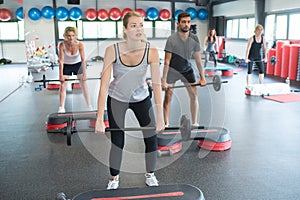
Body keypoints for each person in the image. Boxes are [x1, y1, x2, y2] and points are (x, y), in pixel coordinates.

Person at [95, 11, 164, 190]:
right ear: (125, 29)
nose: (138, 29)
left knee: (151, 137)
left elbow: (156, 85)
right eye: (133, 25)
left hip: (141, 97)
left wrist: (161, 116)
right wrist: (98, 119)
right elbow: (103, 86)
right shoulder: (112, 50)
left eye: (141, 25)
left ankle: (150, 175)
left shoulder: (152, 51)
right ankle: (113, 179)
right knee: (118, 141)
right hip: (117, 98)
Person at [161, 11, 206, 127]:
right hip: (173, 70)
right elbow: (166, 61)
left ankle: (195, 123)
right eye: (183, 22)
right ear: (178, 23)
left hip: (187, 70)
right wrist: (163, 80)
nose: (186, 24)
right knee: (168, 97)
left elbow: (198, 59)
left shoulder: (194, 38)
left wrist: (202, 77)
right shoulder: (171, 39)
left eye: (188, 22)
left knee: (194, 95)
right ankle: (166, 123)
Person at [58, 26, 92, 113]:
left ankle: (89, 106)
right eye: (69, 35)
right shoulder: (62, 45)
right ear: (66, 36)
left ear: (75, 36)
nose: (71, 38)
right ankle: (61, 107)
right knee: (62, 86)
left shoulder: (80, 44)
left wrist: (85, 73)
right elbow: (61, 61)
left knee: (84, 85)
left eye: (73, 35)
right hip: (66, 65)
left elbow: (83, 59)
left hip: (78, 65)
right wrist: (60, 75)